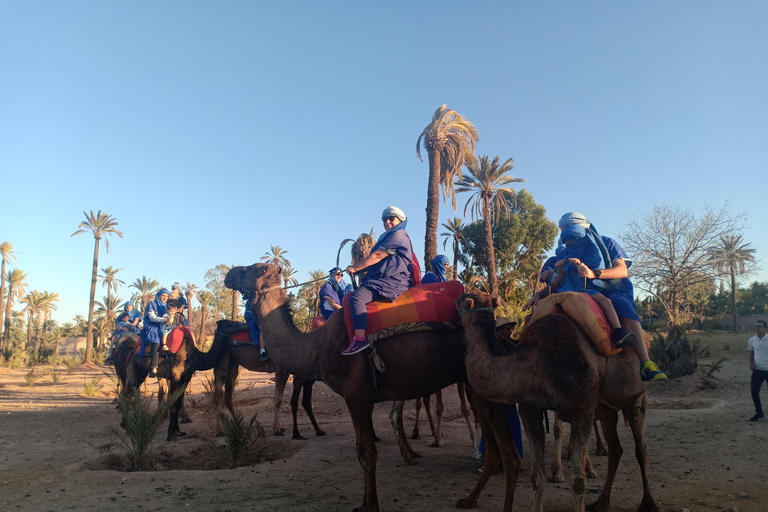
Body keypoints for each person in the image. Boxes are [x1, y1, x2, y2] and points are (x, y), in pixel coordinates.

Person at [525, 212, 666, 382]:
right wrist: (539, 295)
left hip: (609, 288)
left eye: (568, 229)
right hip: (573, 292)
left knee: (621, 305)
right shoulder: (565, 251)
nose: (565, 235)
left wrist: (594, 273)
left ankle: (646, 363)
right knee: (536, 319)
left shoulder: (608, 244)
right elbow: (556, 282)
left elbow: (622, 270)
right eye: (562, 231)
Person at [342, 206, 420, 355]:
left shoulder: (399, 235)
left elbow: (377, 256)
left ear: (400, 220)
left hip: (389, 282)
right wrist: (357, 268)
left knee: (356, 298)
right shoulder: (388, 236)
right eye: (385, 219)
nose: (388, 221)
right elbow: (380, 262)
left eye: (391, 218)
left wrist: (356, 267)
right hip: (382, 280)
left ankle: (359, 339)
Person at [550, 225, 636, 347]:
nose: (569, 244)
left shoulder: (594, 256)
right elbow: (561, 278)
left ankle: (619, 331)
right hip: (566, 289)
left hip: (586, 289)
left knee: (606, 301)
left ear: (582, 240)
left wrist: (582, 266)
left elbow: (589, 272)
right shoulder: (566, 257)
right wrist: (559, 269)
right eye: (566, 242)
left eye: (572, 241)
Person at [139, 288, 172, 377]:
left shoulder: (167, 306)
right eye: (163, 296)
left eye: (167, 296)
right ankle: (154, 367)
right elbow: (152, 317)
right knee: (156, 340)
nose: (165, 298)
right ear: (158, 296)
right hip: (151, 327)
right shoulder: (151, 304)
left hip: (164, 326)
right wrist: (165, 319)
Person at [748, 320, 768, 421]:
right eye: (756, 326)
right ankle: (759, 413)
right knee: (754, 392)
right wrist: (751, 364)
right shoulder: (752, 340)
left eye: (759, 326)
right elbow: (751, 354)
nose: (757, 328)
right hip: (758, 370)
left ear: (765, 328)